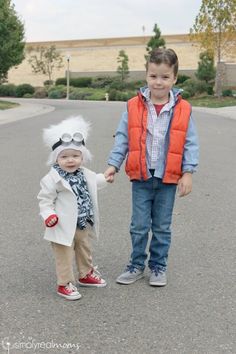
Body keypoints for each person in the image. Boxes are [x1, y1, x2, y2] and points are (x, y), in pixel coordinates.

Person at [105, 48, 199, 287]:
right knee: (138, 225)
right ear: (146, 76)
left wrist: (187, 172)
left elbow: (190, 142)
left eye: (165, 77)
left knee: (162, 226)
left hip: (168, 178)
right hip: (141, 177)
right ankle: (136, 264)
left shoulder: (183, 109)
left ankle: (158, 266)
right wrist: (113, 165)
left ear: (174, 78)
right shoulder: (133, 106)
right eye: (153, 76)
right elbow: (122, 138)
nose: (159, 82)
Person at [38, 116, 107, 300]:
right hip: (61, 225)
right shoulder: (52, 178)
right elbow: (45, 200)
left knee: (84, 249)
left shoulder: (84, 173)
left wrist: (106, 177)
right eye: (64, 156)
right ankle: (64, 283)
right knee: (64, 255)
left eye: (75, 156)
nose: (70, 160)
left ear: (82, 157)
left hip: (82, 222)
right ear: (56, 159)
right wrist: (49, 215)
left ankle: (85, 274)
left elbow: (94, 181)